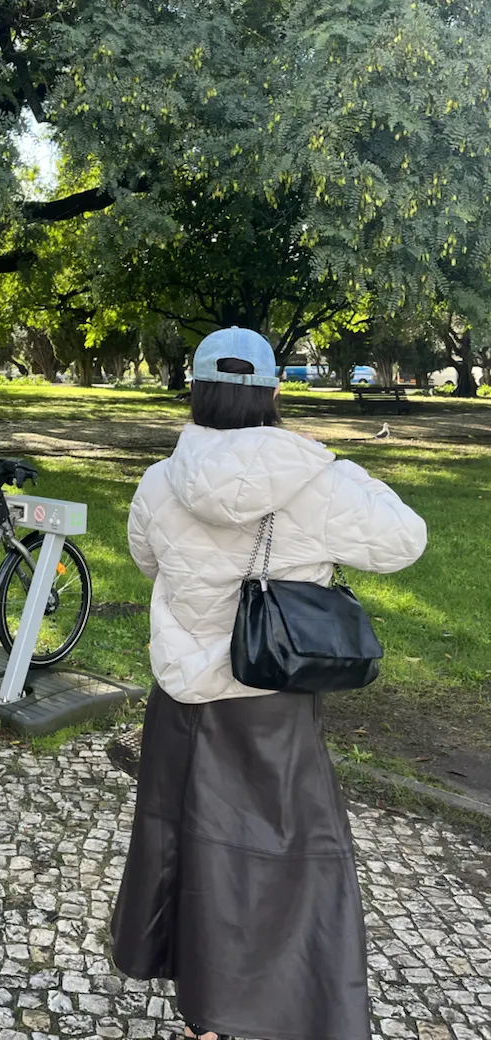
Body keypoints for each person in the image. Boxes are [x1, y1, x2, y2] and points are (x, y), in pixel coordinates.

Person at [111, 326, 427, 1040]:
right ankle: (270, 1009)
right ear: (274, 390)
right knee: (283, 863)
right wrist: (339, 467)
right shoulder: (315, 478)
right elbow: (405, 540)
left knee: (187, 848)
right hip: (269, 701)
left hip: (180, 697)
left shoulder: (161, 479)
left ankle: (204, 1016)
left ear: (195, 389)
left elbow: (148, 561)